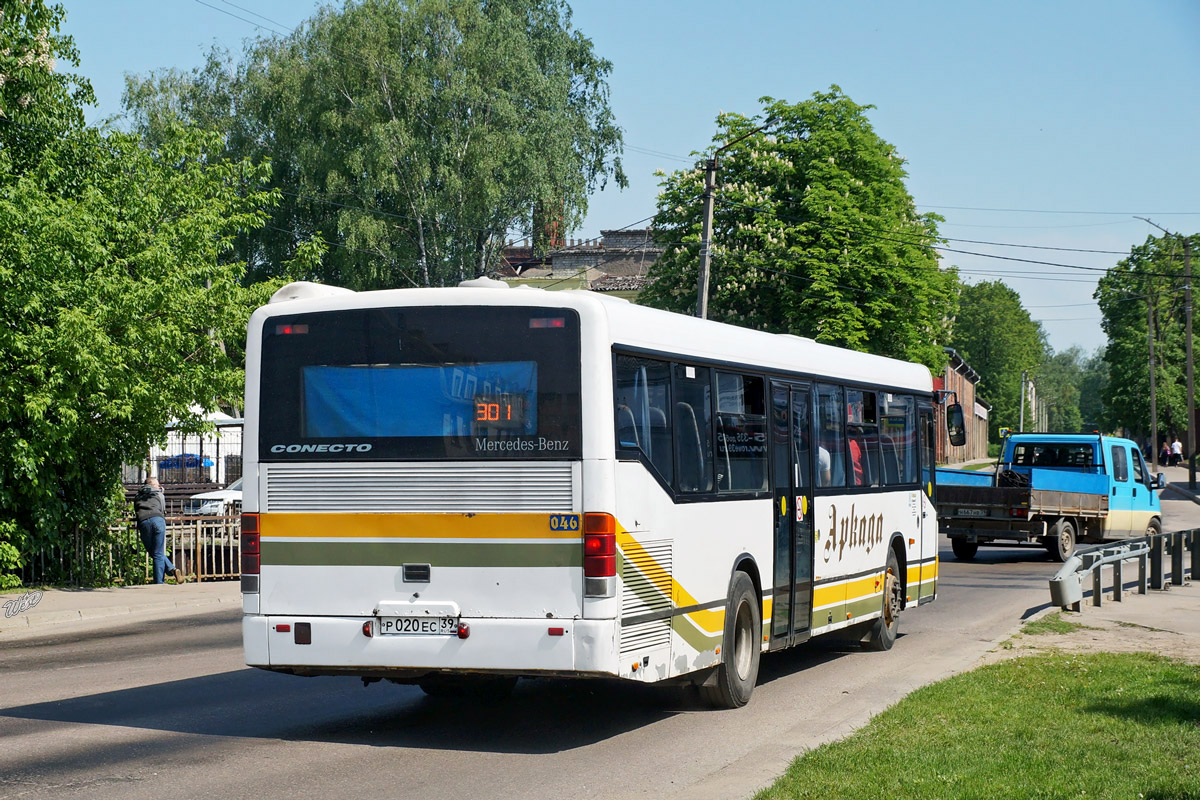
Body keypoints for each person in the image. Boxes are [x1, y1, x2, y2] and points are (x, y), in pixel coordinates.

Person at [134, 477, 182, 584]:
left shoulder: (138, 495)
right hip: (158, 520)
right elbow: (162, 509)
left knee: (154, 553)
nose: (160, 487)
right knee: (158, 554)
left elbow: (136, 509)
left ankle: (171, 569)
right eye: (158, 485)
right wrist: (162, 494)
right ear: (152, 485)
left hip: (144, 522)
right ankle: (160, 582)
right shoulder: (158, 494)